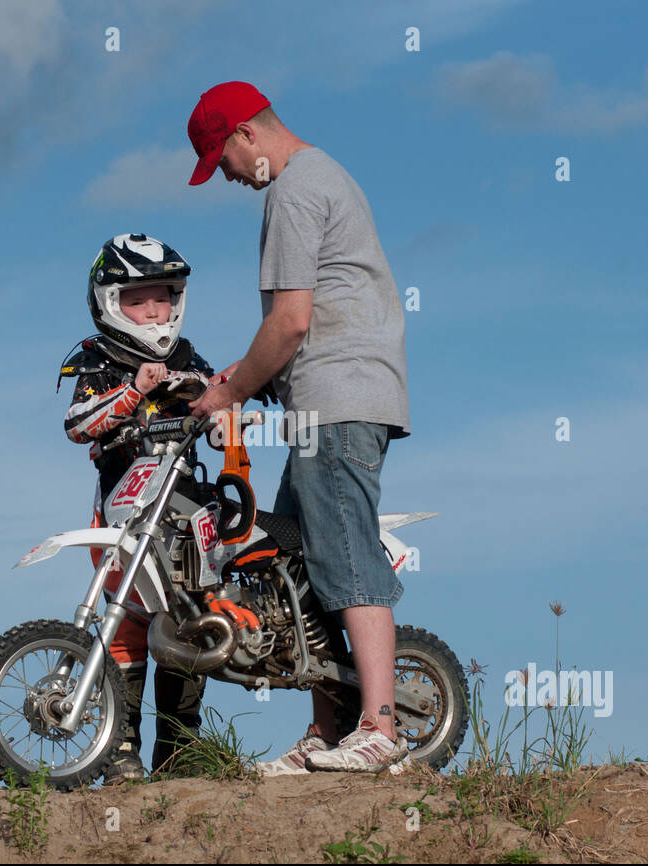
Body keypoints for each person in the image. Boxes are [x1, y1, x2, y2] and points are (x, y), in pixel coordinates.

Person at [186, 82, 412, 774]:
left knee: (341, 552)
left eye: (220, 158)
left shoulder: (292, 189)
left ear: (247, 135)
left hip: (340, 400)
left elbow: (290, 322)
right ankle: (329, 729)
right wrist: (250, 378)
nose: (224, 175)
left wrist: (229, 390)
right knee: (297, 566)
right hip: (324, 399)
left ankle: (381, 725)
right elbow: (290, 331)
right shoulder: (320, 176)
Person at [59, 232, 216, 784]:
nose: (153, 311)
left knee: (189, 619)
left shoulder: (187, 354)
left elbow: (219, 398)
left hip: (185, 509)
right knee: (125, 623)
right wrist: (132, 391)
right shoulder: (95, 357)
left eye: (163, 296)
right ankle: (118, 747)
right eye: (138, 299)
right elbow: (78, 425)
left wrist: (225, 411)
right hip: (122, 510)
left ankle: (182, 750)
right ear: (109, 301)